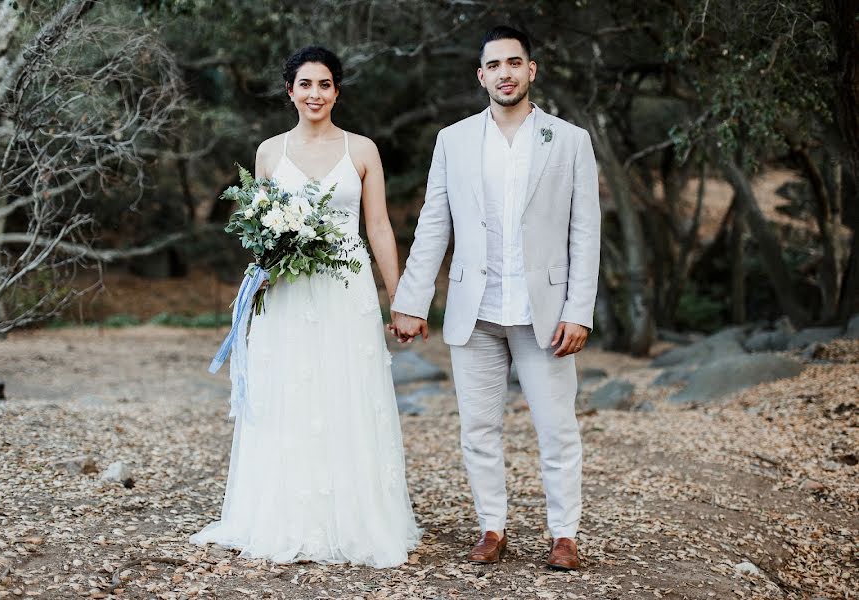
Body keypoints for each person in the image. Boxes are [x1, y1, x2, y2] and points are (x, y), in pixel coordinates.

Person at [191, 46, 421, 568]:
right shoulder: (269, 153)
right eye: (304, 84)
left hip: (347, 290)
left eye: (324, 84)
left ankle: (355, 519)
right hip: (288, 292)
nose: (314, 93)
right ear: (289, 91)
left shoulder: (362, 150)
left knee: (347, 393)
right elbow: (259, 229)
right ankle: (287, 517)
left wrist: (401, 299)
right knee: (290, 394)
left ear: (336, 91)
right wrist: (257, 285)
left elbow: (379, 226)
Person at [390, 26, 600, 570]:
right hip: (475, 311)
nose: (505, 73)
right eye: (494, 65)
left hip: (546, 316)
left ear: (531, 70)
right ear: (480, 76)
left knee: (557, 429)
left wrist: (580, 311)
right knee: (478, 429)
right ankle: (492, 527)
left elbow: (585, 232)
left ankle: (564, 535)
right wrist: (412, 300)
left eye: (515, 63)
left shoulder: (570, 140)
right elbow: (433, 225)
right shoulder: (453, 140)